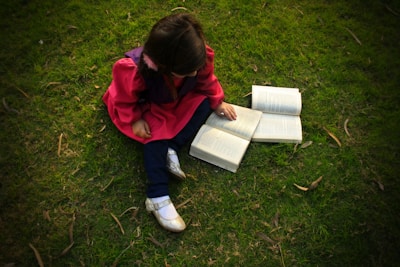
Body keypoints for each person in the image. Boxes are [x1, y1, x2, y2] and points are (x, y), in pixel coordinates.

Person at [103, 13, 237, 232]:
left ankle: (172, 147)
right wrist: (135, 119)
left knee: (204, 103)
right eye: (186, 71)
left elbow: (205, 80)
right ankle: (157, 195)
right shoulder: (135, 70)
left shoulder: (197, 58)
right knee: (153, 136)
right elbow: (124, 98)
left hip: (176, 101)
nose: (193, 72)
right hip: (147, 106)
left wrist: (217, 102)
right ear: (165, 65)